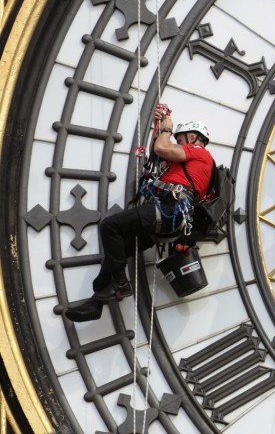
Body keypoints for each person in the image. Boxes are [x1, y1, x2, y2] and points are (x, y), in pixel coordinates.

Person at [64, 107, 214, 322]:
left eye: (180, 139)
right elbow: (157, 158)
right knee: (119, 249)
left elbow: (163, 148)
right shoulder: (190, 164)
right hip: (170, 220)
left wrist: (168, 129)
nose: (177, 143)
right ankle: (96, 302)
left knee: (110, 226)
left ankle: (121, 285)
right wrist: (158, 127)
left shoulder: (199, 153)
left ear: (192, 137)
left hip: (168, 209)